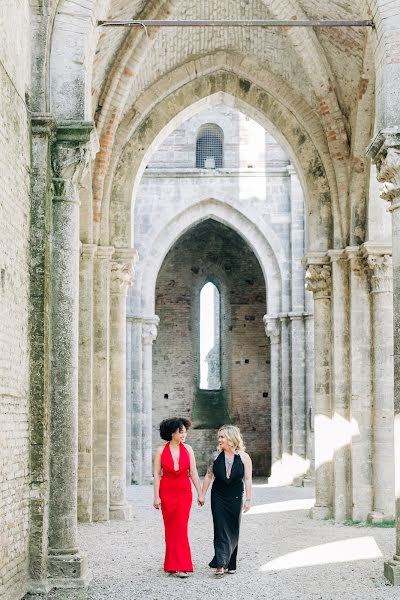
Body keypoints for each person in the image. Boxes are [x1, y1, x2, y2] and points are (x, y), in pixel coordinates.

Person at [153, 417, 204, 578]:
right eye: (180, 431)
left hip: (184, 492)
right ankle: (171, 564)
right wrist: (156, 497)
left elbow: (194, 473)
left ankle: (183, 566)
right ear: (172, 433)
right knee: (170, 528)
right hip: (167, 492)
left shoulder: (188, 449)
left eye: (185, 431)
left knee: (181, 527)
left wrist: (200, 493)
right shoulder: (161, 450)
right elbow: (156, 475)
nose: (184, 434)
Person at [201, 424, 252, 577]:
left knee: (233, 528)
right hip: (218, 496)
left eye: (222, 436)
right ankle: (220, 563)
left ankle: (231, 563)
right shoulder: (215, 456)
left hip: (236, 496)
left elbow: (248, 479)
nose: (219, 439)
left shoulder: (244, 457)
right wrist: (202, 494)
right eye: (219, 437)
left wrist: (248, 499)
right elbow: (209, 476)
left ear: (231, 438)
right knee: (220, 528)